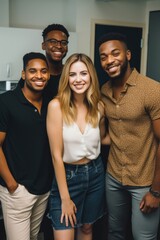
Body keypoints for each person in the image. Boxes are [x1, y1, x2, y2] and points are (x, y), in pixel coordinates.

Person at [98, 32, 160, 240]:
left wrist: (156, 191)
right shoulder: (103, 91)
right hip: (113, 177)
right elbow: (106, 135)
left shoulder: (152, 90)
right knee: (115, 232)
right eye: (104, 57)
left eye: (115, 53)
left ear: (128, 55)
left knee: (143, 237)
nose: (109, 61)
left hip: (144, 181)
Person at [46, 53, 109, 240]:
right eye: (73, 75)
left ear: (91, 76)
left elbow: (104, 138)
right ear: (67, 78)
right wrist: (65, 198)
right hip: (67, 177)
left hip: (96, 173)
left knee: (88, 229)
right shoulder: (56, 106)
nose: (78, 79)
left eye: (83, 73)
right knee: (64, 231)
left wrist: (136, 137)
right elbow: (56, 156)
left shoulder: (99, 107)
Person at [0, 52, 53, 240]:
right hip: (18, 190)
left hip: (43, 189)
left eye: (43, 71)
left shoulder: (51, 103)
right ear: (23, 74)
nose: (39, 76)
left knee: (33, 236)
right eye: (33, 71)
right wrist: (11, 184)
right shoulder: (6, 102)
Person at [42, 23, 70, 102]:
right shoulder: (37, 76)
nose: (59, 46)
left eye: (64, 42)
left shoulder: (70, 75)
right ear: (43, 45)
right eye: (53, 41)